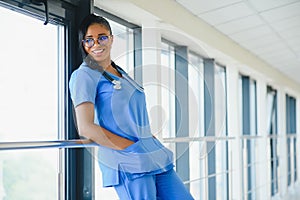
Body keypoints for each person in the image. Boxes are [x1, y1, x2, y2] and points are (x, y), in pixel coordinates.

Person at [69, 13, 194, 200]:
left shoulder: (119, 71)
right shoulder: (84, 76)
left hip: (153, 155)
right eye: (89, 40)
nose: (96, 44)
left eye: (102, 37)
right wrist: (131, 148)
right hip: (129, 161)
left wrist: (147, 140)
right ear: (83, 44)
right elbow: (86, 127)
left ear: (111, 39)